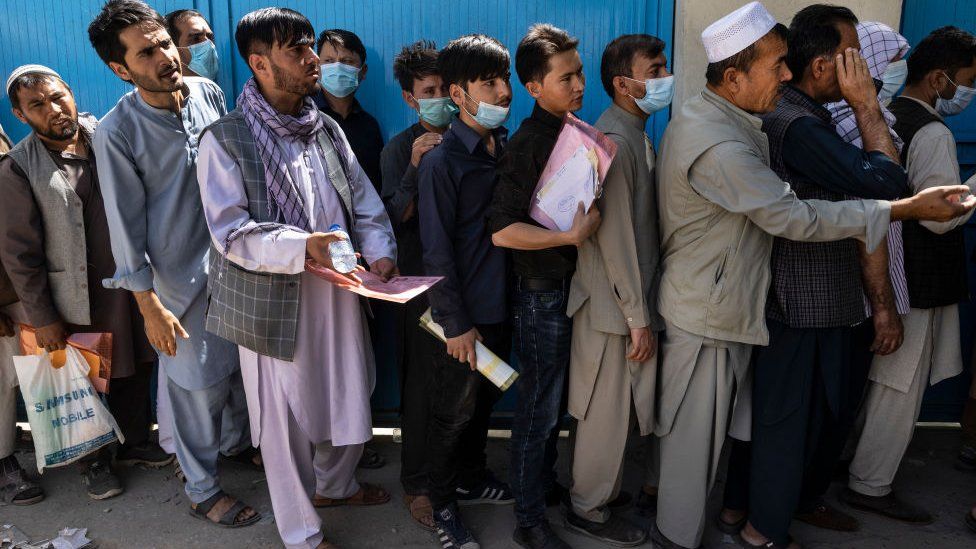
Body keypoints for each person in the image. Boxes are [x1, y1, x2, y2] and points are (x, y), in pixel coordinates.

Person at [652, 3, 975, 548]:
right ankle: (677, 539)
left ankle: (717, 523)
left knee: (726, 434)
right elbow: (793, 216)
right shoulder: (724, 142)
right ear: (733, 77)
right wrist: (901, 210)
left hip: (726, 302)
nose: (788, 73)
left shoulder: (726, 117)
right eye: (776, 65)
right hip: (710, 309)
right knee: (693, 448)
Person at [198, 7, 398, 548]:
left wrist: (378, 253)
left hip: (338, 292)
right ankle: (302, 533)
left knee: (350, 390)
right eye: (298, 50)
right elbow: (231, 232)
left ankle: (336, 484)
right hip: (271, 300)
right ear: (259, 63)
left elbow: (364, 203)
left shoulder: (325, 128)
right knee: (282, 425)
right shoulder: (227, 138)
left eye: (310, 47)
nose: (313, 60)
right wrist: (299, 246)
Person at [87, 0, 257, 528]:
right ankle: (202, 489)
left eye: (164, 42)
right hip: (175, 281)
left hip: (233, 263)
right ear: (121, 68)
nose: (165, 56)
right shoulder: (116, 132)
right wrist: (148, 305)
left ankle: (232, 447)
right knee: (195, 385)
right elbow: (123, 224)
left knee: (236, 373)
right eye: (147, 52)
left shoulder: (208, 94)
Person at [0, 65, 169, 500]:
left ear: (70, 92)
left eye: (57, 97)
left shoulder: (106, 135)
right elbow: (20, 256)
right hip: (74, 294)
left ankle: (133, 442)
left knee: (135, 361)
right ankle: (93, 462)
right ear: (21, 115)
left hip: (127, 282)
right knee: (83, 376)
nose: (53, 109)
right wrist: (43, 318)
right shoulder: (18, 169)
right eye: (36, 105)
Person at [843, 26, 976, 524]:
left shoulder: (888, 114)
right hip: (918, 280)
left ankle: (853, 465)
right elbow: (940, 217)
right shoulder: (934, 131)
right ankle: (870, 485)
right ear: (940, 79)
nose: (969, 92)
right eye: (967, 80)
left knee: (878, 382)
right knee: (899, 388)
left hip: (886, 272)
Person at [488, 24, 601, 549]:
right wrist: (570, 235)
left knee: (552, 406)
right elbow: (503, 229)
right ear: (533, 87)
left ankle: (541, 487)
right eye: (566, 77)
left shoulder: (572, 130)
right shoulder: (531, 141)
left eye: (579, 73)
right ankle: (529, 520)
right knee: (537, 409)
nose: (579, 84)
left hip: (564, 290)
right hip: (540, 296)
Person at [565, 33, 671, 548]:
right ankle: (588, 507)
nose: (664, 78)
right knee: (603, 413)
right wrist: (637, 317)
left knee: (610, 409)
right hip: (613, 304)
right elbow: (616, 239)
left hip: (616, 301)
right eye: (655, 70)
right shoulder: (616, 140)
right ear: (623, 84)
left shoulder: (632, 131)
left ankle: (595, 494)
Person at [418, 33, 515, 549]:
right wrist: (455, 324)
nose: (503, 92)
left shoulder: (504, 149)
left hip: (501, 305)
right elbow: (436, 252)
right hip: (463, 318)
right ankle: (442, 504)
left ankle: (472, 477)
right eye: (488, 83)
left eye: (504, 80)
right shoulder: (442, 163)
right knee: (452, 413)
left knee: (482, 408)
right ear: (458, 94)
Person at [381, 39, 453, 531]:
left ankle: (464, 473)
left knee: (468, 383)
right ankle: (417, 484)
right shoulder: (398, 148)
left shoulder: (475, 136)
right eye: (430, 91)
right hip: (418, 286)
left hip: (466, 282)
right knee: (422, 386)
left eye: (447, 88)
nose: (442, 98)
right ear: (411, 97)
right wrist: (414, 167)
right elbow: (389, 217)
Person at [315, 28, 384, 194]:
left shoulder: (369, 126)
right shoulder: (304, 117)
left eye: (346, 61)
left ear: (363, 71)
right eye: (329, 61)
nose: (337, 68)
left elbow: (374, 186)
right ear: (318, 67)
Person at [165, 9, 219, 82]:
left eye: (210, 37)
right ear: (174, 49)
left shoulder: (213, 91)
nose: (209, 45)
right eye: (196, 39)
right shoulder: (167, 92)